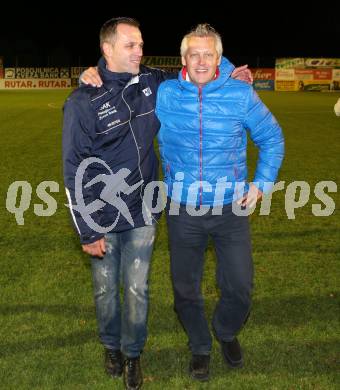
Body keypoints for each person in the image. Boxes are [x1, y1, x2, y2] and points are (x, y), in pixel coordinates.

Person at [63, 17, 253, 390]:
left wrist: (230, 70)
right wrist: (87, 228)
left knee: (137, 288)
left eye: (140, 44)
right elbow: (72, 168)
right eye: (131, 45)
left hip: (142, 208)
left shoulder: (152, 82)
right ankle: (110, 346)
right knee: (105, 290)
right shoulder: (83, 99)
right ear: (107, 50)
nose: (140, 51)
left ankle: (133, 355)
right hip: (100, 213)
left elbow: (197, 63)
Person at [155, 24, 284, 381]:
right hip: (182, 208)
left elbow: (272, 138)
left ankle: (225, 331)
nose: (200, 61)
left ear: (218, 58)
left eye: (207, 54)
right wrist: (94, 75)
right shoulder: (165, 94)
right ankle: (200, 345)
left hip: (231, 206)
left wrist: (261, 185)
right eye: (193, 54)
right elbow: (124, 89)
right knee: (184, 288)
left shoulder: (240, 95)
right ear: (182, 58)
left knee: (240, 287)